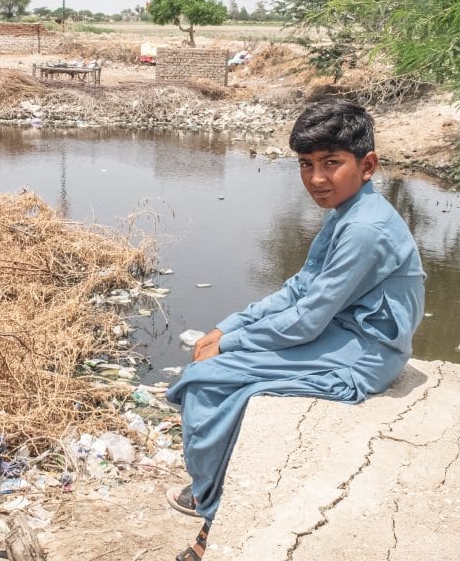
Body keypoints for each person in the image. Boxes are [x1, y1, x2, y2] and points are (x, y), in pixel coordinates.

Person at [165, 98, 425, 561]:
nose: (317, 179)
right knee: (219, 366)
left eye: (331, 163)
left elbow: (308, 317)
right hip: (341, 332)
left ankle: (213, 515)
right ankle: (212, 488)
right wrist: (228, 326)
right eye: (306, 165)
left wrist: (232, 343)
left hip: (366, 350)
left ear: (368, 165)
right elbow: (298, 289)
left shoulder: (366, 228)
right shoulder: (347, 213)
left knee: (206, 383)